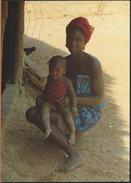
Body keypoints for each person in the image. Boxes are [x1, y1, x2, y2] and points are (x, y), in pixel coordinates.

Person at [26, 17, 105, 173]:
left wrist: (72, 101)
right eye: (70, 39)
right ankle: (59, 135)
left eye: (78, 40)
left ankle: (74, 155)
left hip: (87, 110)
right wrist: (44, 97)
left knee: (36, 115)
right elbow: (56, 87)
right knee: (33, 112)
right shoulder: (65, 63)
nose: (73, 43)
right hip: (67, 106)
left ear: (85, 43)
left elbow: (99, 97)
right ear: (66, 40)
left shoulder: (92, 64)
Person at [37, 55, 77, 144]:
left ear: (64, 71)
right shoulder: (49, 78)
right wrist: (42, 95)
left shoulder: (67, 82)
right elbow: (47, 87)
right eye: (51, 70)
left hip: (61, 105)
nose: (54, 73)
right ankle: (47, 128)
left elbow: (73, 95)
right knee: (43, 108)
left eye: (58, 70)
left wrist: (74, 108)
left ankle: (72, 133)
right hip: (50, 102)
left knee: (68, 116)